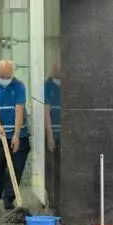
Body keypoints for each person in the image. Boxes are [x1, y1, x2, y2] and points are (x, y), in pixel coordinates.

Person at [0, 59, 30, 210]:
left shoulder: (19, 86)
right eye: (2, 76)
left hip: (19, 133)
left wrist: (16, 135)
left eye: (8, 76)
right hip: (0, 133)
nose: (5, 79)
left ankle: (8, 198)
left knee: (16, 167)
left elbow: (19, 110)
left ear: (12, 73)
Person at [43, 60, 62, 213]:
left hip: (65, 135)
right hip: (52, 133)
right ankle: (52, 197)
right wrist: (50, 136)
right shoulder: (47, 86)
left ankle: (61, 197)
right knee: (51, 167)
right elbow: (46, 111)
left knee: (61, 167)